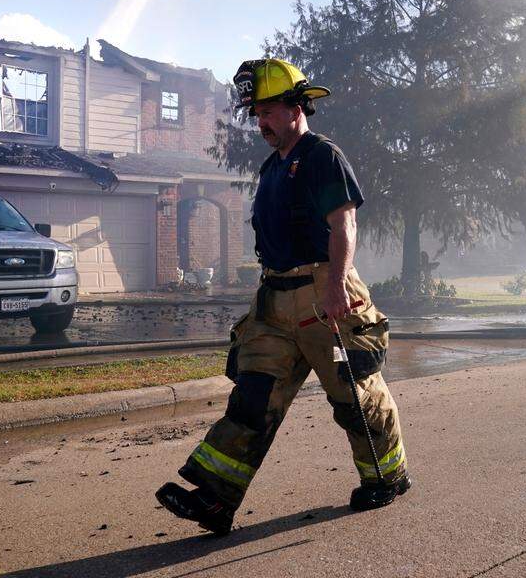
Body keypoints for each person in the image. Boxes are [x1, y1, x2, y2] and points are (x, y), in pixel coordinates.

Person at [156, 58, 410, 535]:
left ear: (297, 107)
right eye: (256, 113)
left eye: (268, 110)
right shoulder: (272, 167)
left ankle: (387, 476)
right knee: (253, 397)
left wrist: (335, 285)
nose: (260, 122)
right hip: (274, 298)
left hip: (324, 293)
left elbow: (344, 223)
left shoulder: (322, 156)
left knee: (354, 396)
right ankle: (216, 498)